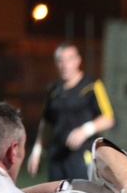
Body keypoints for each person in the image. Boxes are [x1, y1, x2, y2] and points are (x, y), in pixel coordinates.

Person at [27, 43, 115, 181]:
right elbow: (47, 122)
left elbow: (108, 118)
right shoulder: (53, 89)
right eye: (60, 60)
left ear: (78, 61)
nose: (64, 64)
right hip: (56, 154)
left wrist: (85, 130)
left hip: (81, 154)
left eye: (69, 59)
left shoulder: (92, 85)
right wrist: (37, 151)